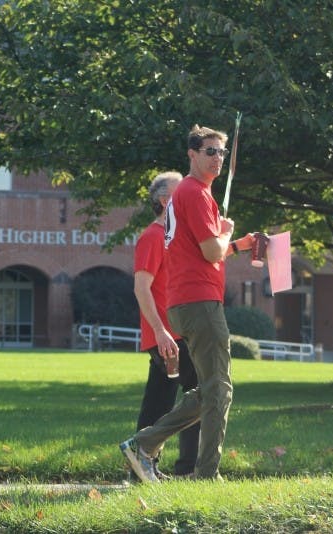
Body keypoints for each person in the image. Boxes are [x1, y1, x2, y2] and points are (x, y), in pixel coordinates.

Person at [120, 125, 255, 482]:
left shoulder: (196, 196)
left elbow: (210, 251)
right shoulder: (194, 193)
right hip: (198, 301)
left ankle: (144, 445)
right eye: (210, 151)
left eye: (222, 153)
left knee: (210, 389)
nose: (218, 159)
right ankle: (205, 474)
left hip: (191, 302)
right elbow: (212, 250)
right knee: (219, 390)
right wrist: (226, 232)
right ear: (192, 154)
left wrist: (237, 243)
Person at [130, 172, 200, 479]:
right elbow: (141, 288)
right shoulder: (153, 237)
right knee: (197, 392)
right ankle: (184, 468)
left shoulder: (175, 238)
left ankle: (145, 469)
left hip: (178, 334)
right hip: (167, 337)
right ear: (164, 201)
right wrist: (160, 332)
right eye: (179, 194)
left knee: (165, 401)